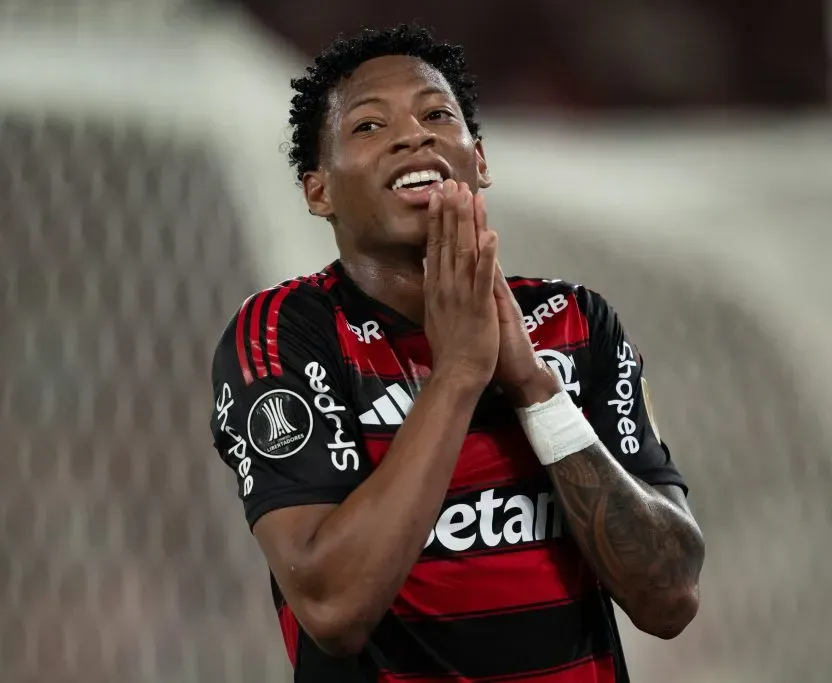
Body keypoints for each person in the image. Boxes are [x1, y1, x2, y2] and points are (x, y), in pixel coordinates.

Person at [209, 24, 705, 683]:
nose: (413, 134)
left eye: (437, 114)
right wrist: (460, 374)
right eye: (367, 126)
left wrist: (534, 387)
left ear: (481, 159)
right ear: (317, 191)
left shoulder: (575, 323)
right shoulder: (285, 335)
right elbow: (332, 605)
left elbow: (669, 595)